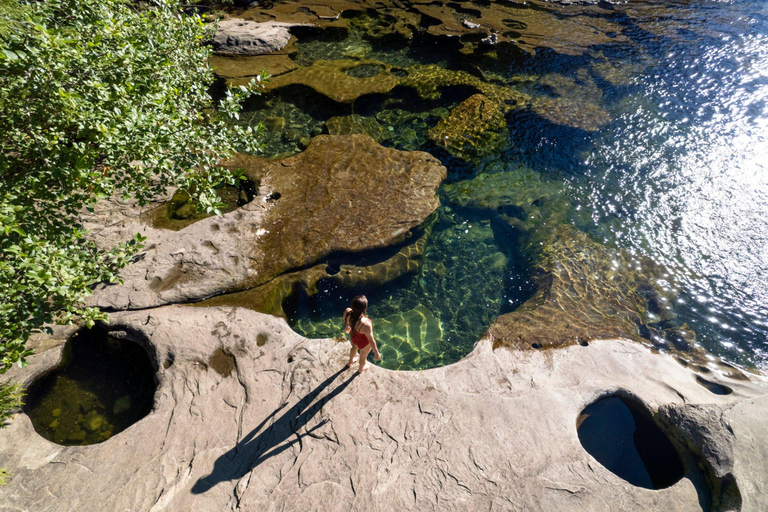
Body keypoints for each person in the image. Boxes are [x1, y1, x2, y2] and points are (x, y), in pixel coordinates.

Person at [343, 295, 381, 373]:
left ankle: (350, 361)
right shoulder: (366, 324)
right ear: (364, 309)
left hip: (353, 337)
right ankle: (361, 369)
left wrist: (347, 328)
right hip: (364, 344)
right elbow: (371, 340)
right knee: (363, 357)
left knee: (354, 347)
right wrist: (376, 352)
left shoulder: (347, 312)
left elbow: (346, 324)